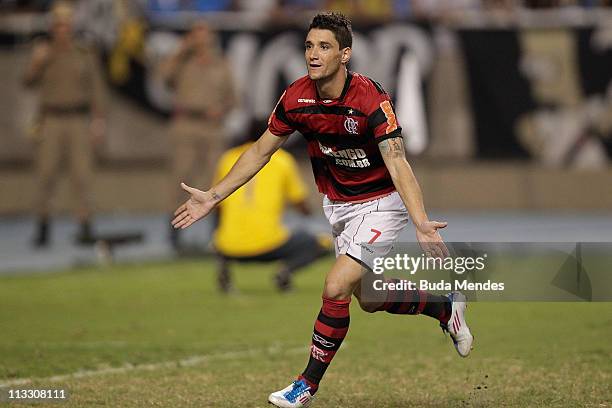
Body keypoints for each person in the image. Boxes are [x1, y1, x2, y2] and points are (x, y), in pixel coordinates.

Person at [172, 12, 473, 407]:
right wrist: (213, 195)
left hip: (382, 205)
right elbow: (261, 151)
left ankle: (306, 385)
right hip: (340, 207)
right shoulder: (296, 97)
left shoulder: (371, 100)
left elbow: (398, 162)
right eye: (310, 46)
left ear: (345, 54)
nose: (314, 54)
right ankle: (443, 306)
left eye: (325, 46)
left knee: (334, 287)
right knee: (367, 298)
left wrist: (420, 223)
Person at [24, 1, 107, 247]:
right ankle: (43, 225)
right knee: (46, 174)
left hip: (77, 119)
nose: (63, 29)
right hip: (51, 119)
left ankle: (85, 224)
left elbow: (96, 89)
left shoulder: (83, 52)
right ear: (53, 27)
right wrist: (38, 62)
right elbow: (27, 81)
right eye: (58, 25)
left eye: (67, 25)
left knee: (82, 175)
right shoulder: (44, 52)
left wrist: (99, 120)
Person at [213, 134, 330, 293]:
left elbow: (217, 203)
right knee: (318, 241)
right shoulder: (282, 159)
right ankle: (285, 272)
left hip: (228, 247)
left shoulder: (229, 157)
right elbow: (300, 203)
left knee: (223, 229)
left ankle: (223, 262)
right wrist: (311, 217)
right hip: (269, 245)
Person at [159, 21, 235, 249]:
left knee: (216, 178)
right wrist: (182, 49)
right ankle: (175, 233)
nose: (203, 38)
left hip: (211, 127)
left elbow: (232, 96)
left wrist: (222, 108)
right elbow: (163, 77)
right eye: (198, 33)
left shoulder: (221, 64)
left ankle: (216, 233)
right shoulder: (182, 63)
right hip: (186, 123)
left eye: (206, 33)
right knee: (180, 178)